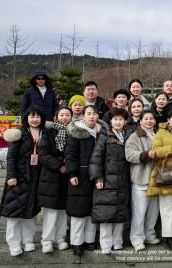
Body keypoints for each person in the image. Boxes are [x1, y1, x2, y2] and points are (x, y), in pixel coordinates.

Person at [0, 105, 46, 256]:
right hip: (20, 177)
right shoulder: (18, 133)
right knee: (14, 212)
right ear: (26, 118)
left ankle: (28, 240)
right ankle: (13, 243)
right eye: (32, 116)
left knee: (30, 212)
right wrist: (11, 176)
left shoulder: (45, 132)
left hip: (36, 177)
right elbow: (11, 156)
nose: (35, 119)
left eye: (37, 116)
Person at [65, 105, 108, 256]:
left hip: (98, 176)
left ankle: (89, 240)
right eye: (88, 113)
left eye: (94, 113)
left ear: (98, 116)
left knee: (92, 210)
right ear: (83, 116)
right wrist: (72, 173)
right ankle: (76, 242)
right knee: (79, 210)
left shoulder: (102, 132)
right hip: (81, 175)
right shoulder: (77, 132)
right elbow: (70, 155)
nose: (91, 116)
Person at [89, 107, 132, 254]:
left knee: (120, 212)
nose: (118, 122)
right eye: (115, 119)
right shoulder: (104, 136)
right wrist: (98, 178)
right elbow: (96, 158)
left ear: (125, 121)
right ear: (110, 121)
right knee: (106, 213)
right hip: (107, 180)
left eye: (121, 119)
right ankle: (106, 244)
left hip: (123, 180)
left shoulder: (128, 135)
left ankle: (117, 242)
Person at [147, 108, 172, 250]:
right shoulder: (162, 132)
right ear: (168, 120)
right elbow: (156, 151)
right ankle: (169, 237)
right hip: (167, 174)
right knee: (167, 208)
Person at [38, 107, 72, 253]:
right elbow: (43, 154)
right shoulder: (48, 132)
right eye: (62, 115)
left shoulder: (74, 132)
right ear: (56, 117)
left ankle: (60, 238)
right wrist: (59, 165)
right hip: (51, 175)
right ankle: (47, 240)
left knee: (63, 210)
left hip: (67, 176)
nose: (65, 117)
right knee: (51, 210)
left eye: (67, 115)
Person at [125, 110, 161, 251]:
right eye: (145, 119)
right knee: (139, 212)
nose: (149, 121)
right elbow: (129, 154)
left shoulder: (159, 135)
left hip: (157, 179)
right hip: (141, 179)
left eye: (151, 119)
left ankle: (149, 234)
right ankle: (137, 238)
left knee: (153, 211)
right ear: (140, 121)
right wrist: (145, 155)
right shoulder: (135, 136)